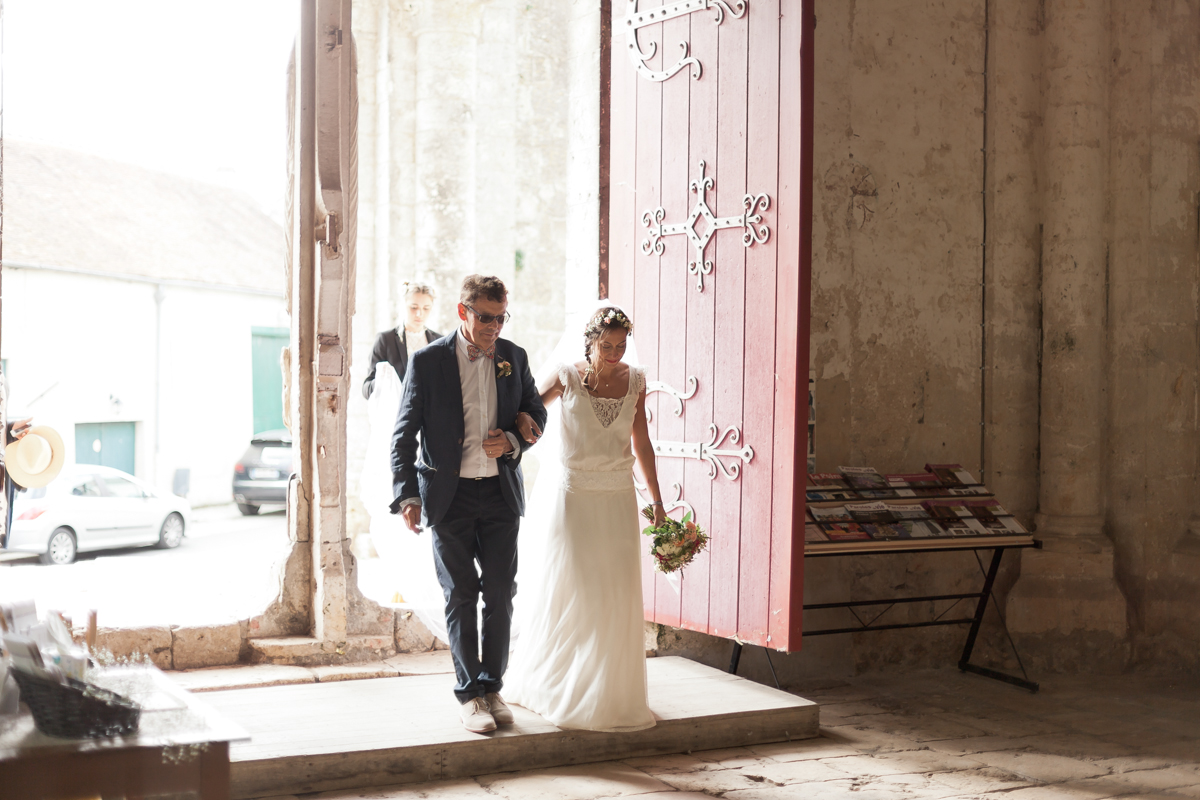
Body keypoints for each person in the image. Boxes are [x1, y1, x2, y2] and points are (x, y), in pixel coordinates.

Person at [390, 274, 548, 734]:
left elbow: (536, 412)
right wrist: (407, 494)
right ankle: (469, 696)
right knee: (461, 594)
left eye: (501, 318)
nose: (494, 327)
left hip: (500, 495)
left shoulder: (513, 357)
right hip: (450, 496)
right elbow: (403, 436)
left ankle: (492, 687)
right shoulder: (427, 362)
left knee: (500, 591)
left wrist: (514, 440)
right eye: (485, 317)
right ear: (463, 312)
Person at [504, 305, 666, 732]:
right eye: (606, 345)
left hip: (617, 499)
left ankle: (609, 691)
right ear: (590, 341)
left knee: (614, 593)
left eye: (620, 345)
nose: (614, 353)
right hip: (573, 498)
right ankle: (558, 683)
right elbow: (526, 414)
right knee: (575, 588)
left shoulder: (636, 380)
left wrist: (660, 504)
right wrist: (507, 442)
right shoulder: (567, 375)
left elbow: (643, 443)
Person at [362, 282, 442, 399]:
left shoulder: (439, 342)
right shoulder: (385, 340)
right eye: (413, 307)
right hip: (395, 414)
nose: (419, 313)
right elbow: (366, 390)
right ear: (403, 304)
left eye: (426, 308)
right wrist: (382, 380)